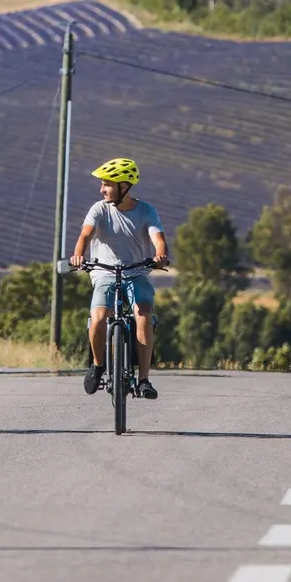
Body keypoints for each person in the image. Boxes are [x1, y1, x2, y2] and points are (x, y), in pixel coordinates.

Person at [68, 157, 170, 400]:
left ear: (124, 186)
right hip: (104, 272)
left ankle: (144, 379)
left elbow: (158, 238)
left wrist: (160, 255)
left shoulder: (146, 211)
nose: (102, 189)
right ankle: (97, 364)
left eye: (107, 184)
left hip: (136, 273)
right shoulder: (99, 209)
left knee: (144, 315)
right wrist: (78, 256)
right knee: (99, 318)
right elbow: (85, 234)